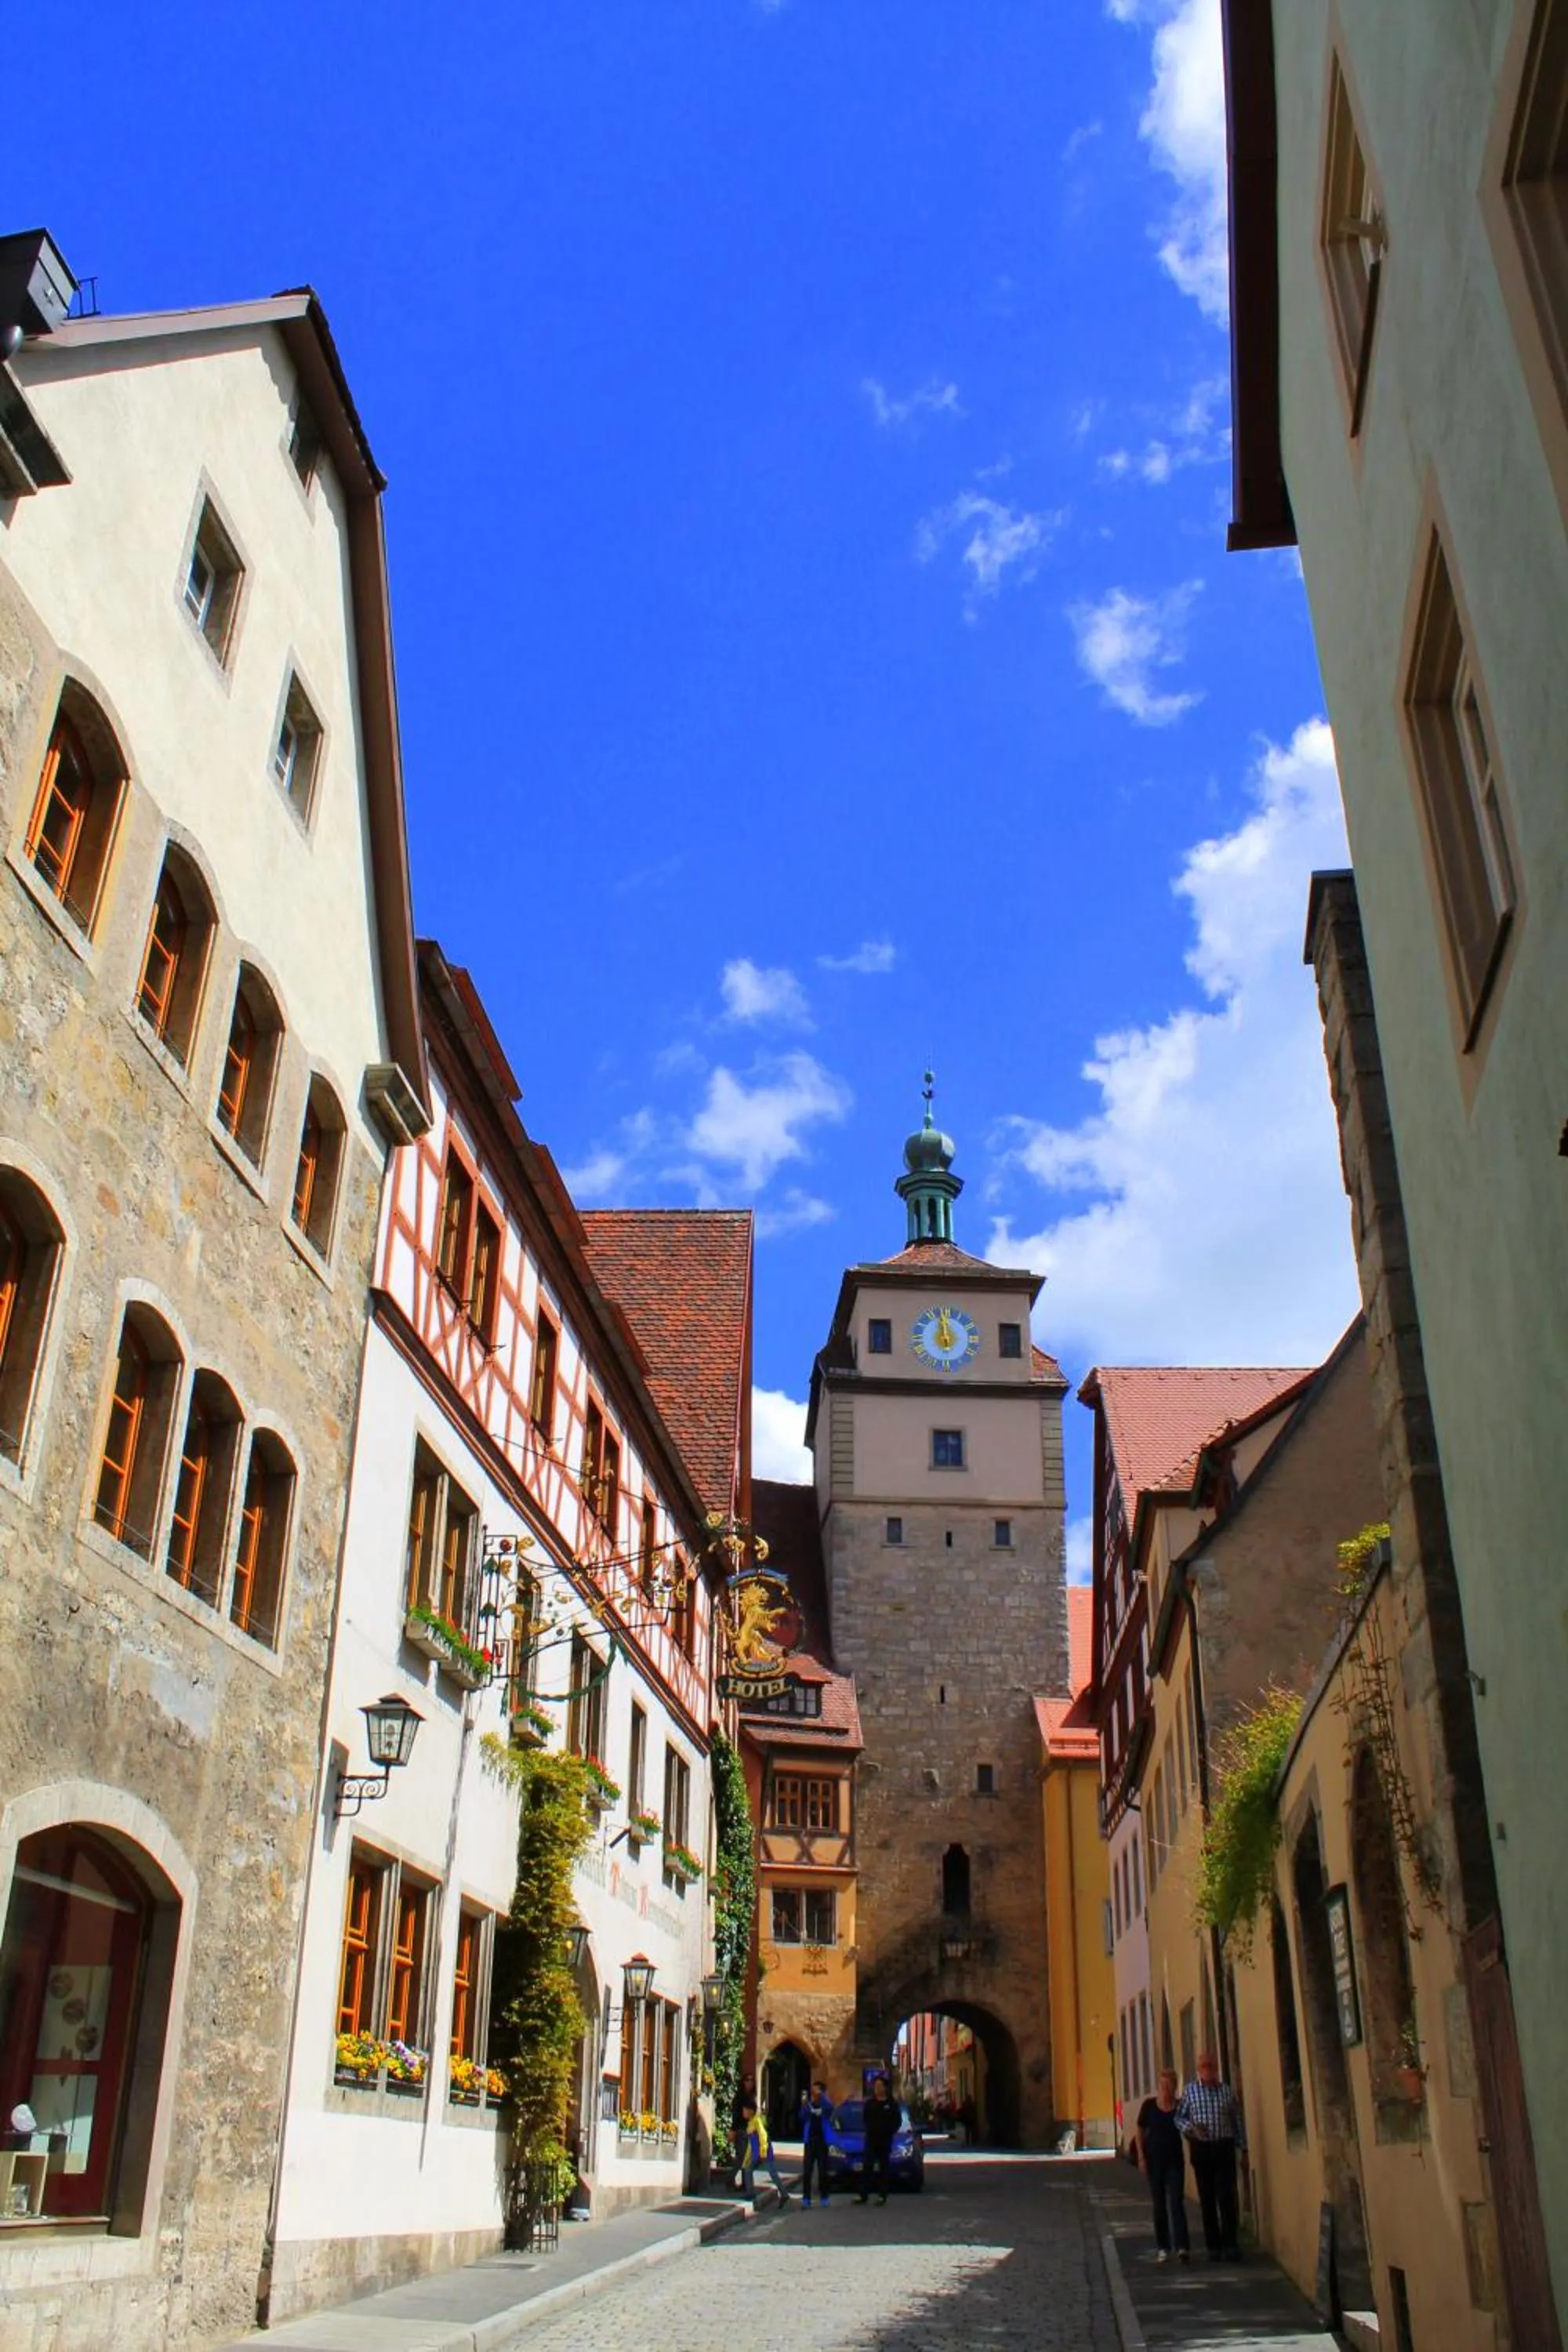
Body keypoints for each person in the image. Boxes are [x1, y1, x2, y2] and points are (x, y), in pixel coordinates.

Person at [1175, 2052, 1245, 2262]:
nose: (1208, 2070)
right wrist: (1192, 2129)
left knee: (1227, 2196)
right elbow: (1179, 2117)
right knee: (1207, 2198)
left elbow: (1237, 2121)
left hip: (1223, 2146)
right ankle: (1213, 2246)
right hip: (1202, 2148)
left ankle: (1230, 2243)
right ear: (1198, 2070)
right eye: (1204, 2066)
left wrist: (1244, 2148)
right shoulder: (1190, 2091)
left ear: (1216, 2069)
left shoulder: (1226, 2092)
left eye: (1211, 2066)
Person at [1135, 2070, 1190, 2265]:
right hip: (1154, 2161)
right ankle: (1163, 2247)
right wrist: (1141, 2157)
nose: (1165, 2090)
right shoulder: (1149, 2106)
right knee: (1159, 2205)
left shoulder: (1180, 2107)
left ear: (1175, 2087)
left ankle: (1182, 2247)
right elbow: (1140, 2129)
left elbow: (1188, 2128)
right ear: (1158, 2087)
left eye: (1169, 2086)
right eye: (1162, 2086)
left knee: (1176, 2202)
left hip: (1175, 2161)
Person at [739, 2099, 789, 2213]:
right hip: (757, 2153)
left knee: (772, 2172)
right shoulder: (751, 2122)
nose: (743, 2112)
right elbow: (751, 2144)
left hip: (764, 2151)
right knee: (748, 2169)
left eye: (745, 2110)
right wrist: (748, 2158)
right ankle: (750, 2193)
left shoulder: (757, 2121)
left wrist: (763, 2151)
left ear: (750, 2111)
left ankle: (783, 2194)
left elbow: (763, 2136)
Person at [858, 2074, 899, 2205]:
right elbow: (865, 2118)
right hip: (871, 2140)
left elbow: (897, 2122)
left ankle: (882, 2195)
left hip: (885, 2140)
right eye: (875, 2086)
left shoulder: (891, 2104)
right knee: (867, 2167)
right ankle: (863, 2195)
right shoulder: (870, 2104)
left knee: (883, 2168)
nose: (877, 2088)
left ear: (885, 2088)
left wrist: (889, 2132)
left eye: (880, 2086)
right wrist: (869, 2130)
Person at [800, 2078, 834, 2208]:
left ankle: (824, 2197)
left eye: (816, 2089)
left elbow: (830, 2108)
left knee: (823, 2170)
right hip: (810, 2140)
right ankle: (806, 2198)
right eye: (812, 2089)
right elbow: (802, 2116)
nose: (813, 2091)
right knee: (807, 2171)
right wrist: (805, 2106)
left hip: (822, 2140)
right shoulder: (809, 2103)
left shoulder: (825, 2103)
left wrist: (822, 2099)